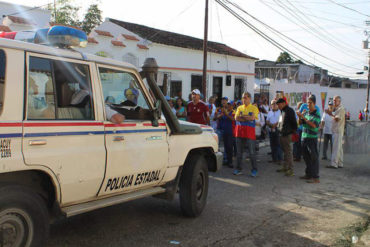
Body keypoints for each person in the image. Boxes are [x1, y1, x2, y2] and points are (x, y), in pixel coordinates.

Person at [233, 92, 259, 177]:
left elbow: (252, 118)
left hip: (250, 133)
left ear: (250, 98)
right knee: (239, 152)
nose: (244, 99)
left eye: (246, 98)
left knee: (252, 152)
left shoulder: (254, 108)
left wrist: (242, 117)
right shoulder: (239, 107)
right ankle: (238, 169)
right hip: (239, 132)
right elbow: (236, 118)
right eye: (243, 98)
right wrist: (247, 117)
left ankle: (254, 169)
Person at [297, 95, 321, 183]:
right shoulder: (306, 112)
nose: (308, 104)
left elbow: (314, 125)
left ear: (314, 103)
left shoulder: (317, 113)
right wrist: (300, 116)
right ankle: (308, 174)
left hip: (312, 138)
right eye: (307, 102)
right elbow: (300, 123)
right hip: (304, 137)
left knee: (314, 157)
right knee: (306, 157)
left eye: (310, 102)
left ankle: (315, 177)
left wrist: (303, 117)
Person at [276, 97, 298, 177]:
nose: (278, 106)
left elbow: (294, 123)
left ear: (284, 103)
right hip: (282, 134)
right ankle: (285, 167)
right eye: (277, 105)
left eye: (279, 104)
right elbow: (281, 122)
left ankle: (291, 170)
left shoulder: (289, 110)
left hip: (287, 135)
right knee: (285, 152)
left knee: (289, 153)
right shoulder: (282, 111)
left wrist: (292, 132)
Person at [326, 95, 345, 168]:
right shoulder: (336, 109)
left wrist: (330, 114)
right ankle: (340, 163)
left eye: (335, 100)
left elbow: (337, 119)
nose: (333, 102)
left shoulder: (340, 109)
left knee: (336, 148)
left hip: (338, 130)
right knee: (339, 148)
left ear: (339, 101)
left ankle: (334, 164)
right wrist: (330, 113)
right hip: (336, 130)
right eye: (333, 100)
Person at [217, 101, 234, 168]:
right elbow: (217, 118)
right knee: (226, 147)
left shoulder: (233, 112)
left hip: (230, 132)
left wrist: (226, 114)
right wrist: (221, 115)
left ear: (232, 106)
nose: (228, 106)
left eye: (230, 105)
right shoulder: (224, 112)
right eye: (228, 105)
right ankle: (227, 160)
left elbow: (232, 119)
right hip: (224, 131)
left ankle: (230, 162)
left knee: (230, 147)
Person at [266, 99, 282, 164]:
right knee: (272, 145)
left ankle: (280, 159)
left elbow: (280, 121)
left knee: (278, 145)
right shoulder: (269, 112)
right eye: (272, 104)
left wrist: (274, 126)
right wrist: (271, 126)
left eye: (275, 103)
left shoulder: (280, 112)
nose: (274, 105)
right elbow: (267, 121)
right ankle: (274, 159)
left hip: (278, 130)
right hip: (271, 131)